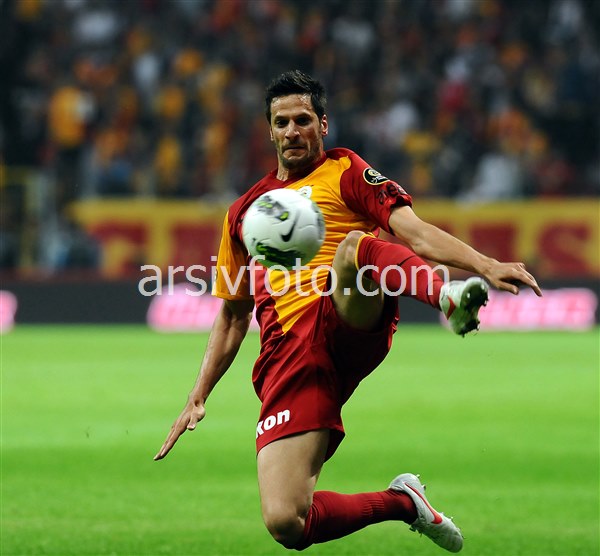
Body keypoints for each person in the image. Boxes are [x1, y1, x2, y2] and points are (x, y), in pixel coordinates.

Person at [155, 70, 541, 553]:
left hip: (346, 314)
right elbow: (233, 314)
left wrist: (485, 265)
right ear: (270, 131)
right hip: (288, 358)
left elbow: (415, 233)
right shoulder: (243, 213)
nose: (292, 131)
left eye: (302, 120)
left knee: (354, 246)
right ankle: (404, 503)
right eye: (281, 122)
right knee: (287, 521)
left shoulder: (346, 171)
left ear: (323, 124)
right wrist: (198, 395)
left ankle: (447, 298)